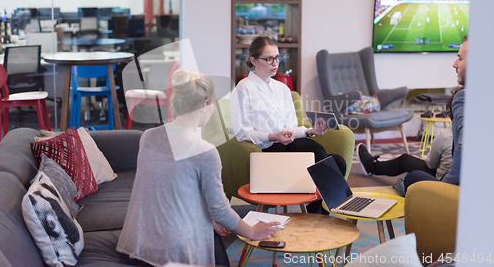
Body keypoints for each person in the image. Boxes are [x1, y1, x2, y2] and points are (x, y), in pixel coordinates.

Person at [116, 69, 281, 267]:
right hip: (174, 253)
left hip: (135, 246)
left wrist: (208, 218)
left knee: (216, 245)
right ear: (205, 105)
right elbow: (220, 210)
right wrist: (252, 231)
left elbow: (168, 190)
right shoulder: (205, 151)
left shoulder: (148, 137)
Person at [229, 36, 347, 213]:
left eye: (277, 58)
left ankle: (316, 210)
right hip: (266, 151)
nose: (274, 63)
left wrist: (309, 131)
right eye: (268, 58)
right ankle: (323, 211)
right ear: (253, 60)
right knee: (319, 154)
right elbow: (242, 133)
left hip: (287, 146)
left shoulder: (282, 89)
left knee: (339, 162)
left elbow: (290, 128)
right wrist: (273, 136)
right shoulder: (244, 88)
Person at [402, 37, 467, 191]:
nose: (454, 64)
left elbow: (465, 143)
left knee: (412, 178)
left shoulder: (464, 96)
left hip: (460, 192)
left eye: (460, 58)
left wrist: (446, 187)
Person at [357, 127, 453, 196]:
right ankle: (372, 166)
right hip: (456, 184)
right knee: (405, 160)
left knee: (405, 174)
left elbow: (431, 164)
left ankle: (372, 166)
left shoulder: (446, 135)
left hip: (444, 185)